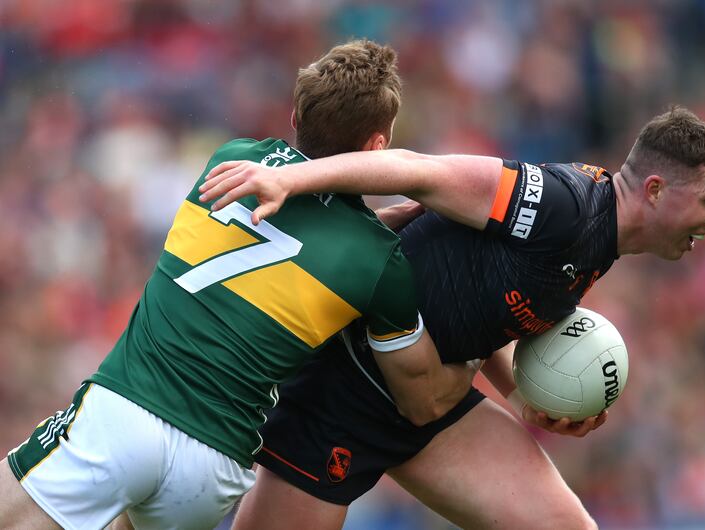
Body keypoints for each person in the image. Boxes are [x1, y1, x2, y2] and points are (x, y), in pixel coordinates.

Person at [0, 40, 477, 530]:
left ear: (295, 117)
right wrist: (480, 348)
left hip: (127, 412)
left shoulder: (230, 162)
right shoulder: (379, 262)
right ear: (378, 146)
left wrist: (368, 227)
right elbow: (423, 402)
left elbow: (291, 230)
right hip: (214, 467)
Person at [198, 106, 705, 529]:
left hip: (436, 408)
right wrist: (294, 180)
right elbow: (417, 171)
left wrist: (527, 398)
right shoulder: (563, 204)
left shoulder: (601, 240)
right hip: (341, 397)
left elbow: (488, 314)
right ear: (654, 190)